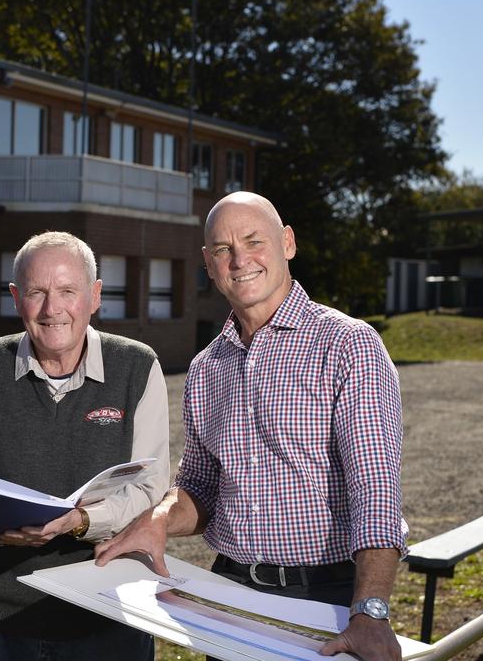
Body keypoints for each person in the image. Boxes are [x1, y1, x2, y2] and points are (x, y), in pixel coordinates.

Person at [96, 192, 407, 661]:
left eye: (253, 241)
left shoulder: (348, 345)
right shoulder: (206, 367)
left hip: (327, 598)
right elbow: (200, 486)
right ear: (208, 263)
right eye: (223, 249)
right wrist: (158, 519)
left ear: (287, 243)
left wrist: (371, 611)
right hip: (230, 592)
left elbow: (376, 490)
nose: (240, 259)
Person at [0, 231, 169, 661]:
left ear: (94, 296)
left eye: (67, 291)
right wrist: (0, 527)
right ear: (16, 297)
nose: (52, 308)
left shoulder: (137, 367)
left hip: (108, 619)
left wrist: (81, 520)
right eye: (36, 292)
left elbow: (148, 490)